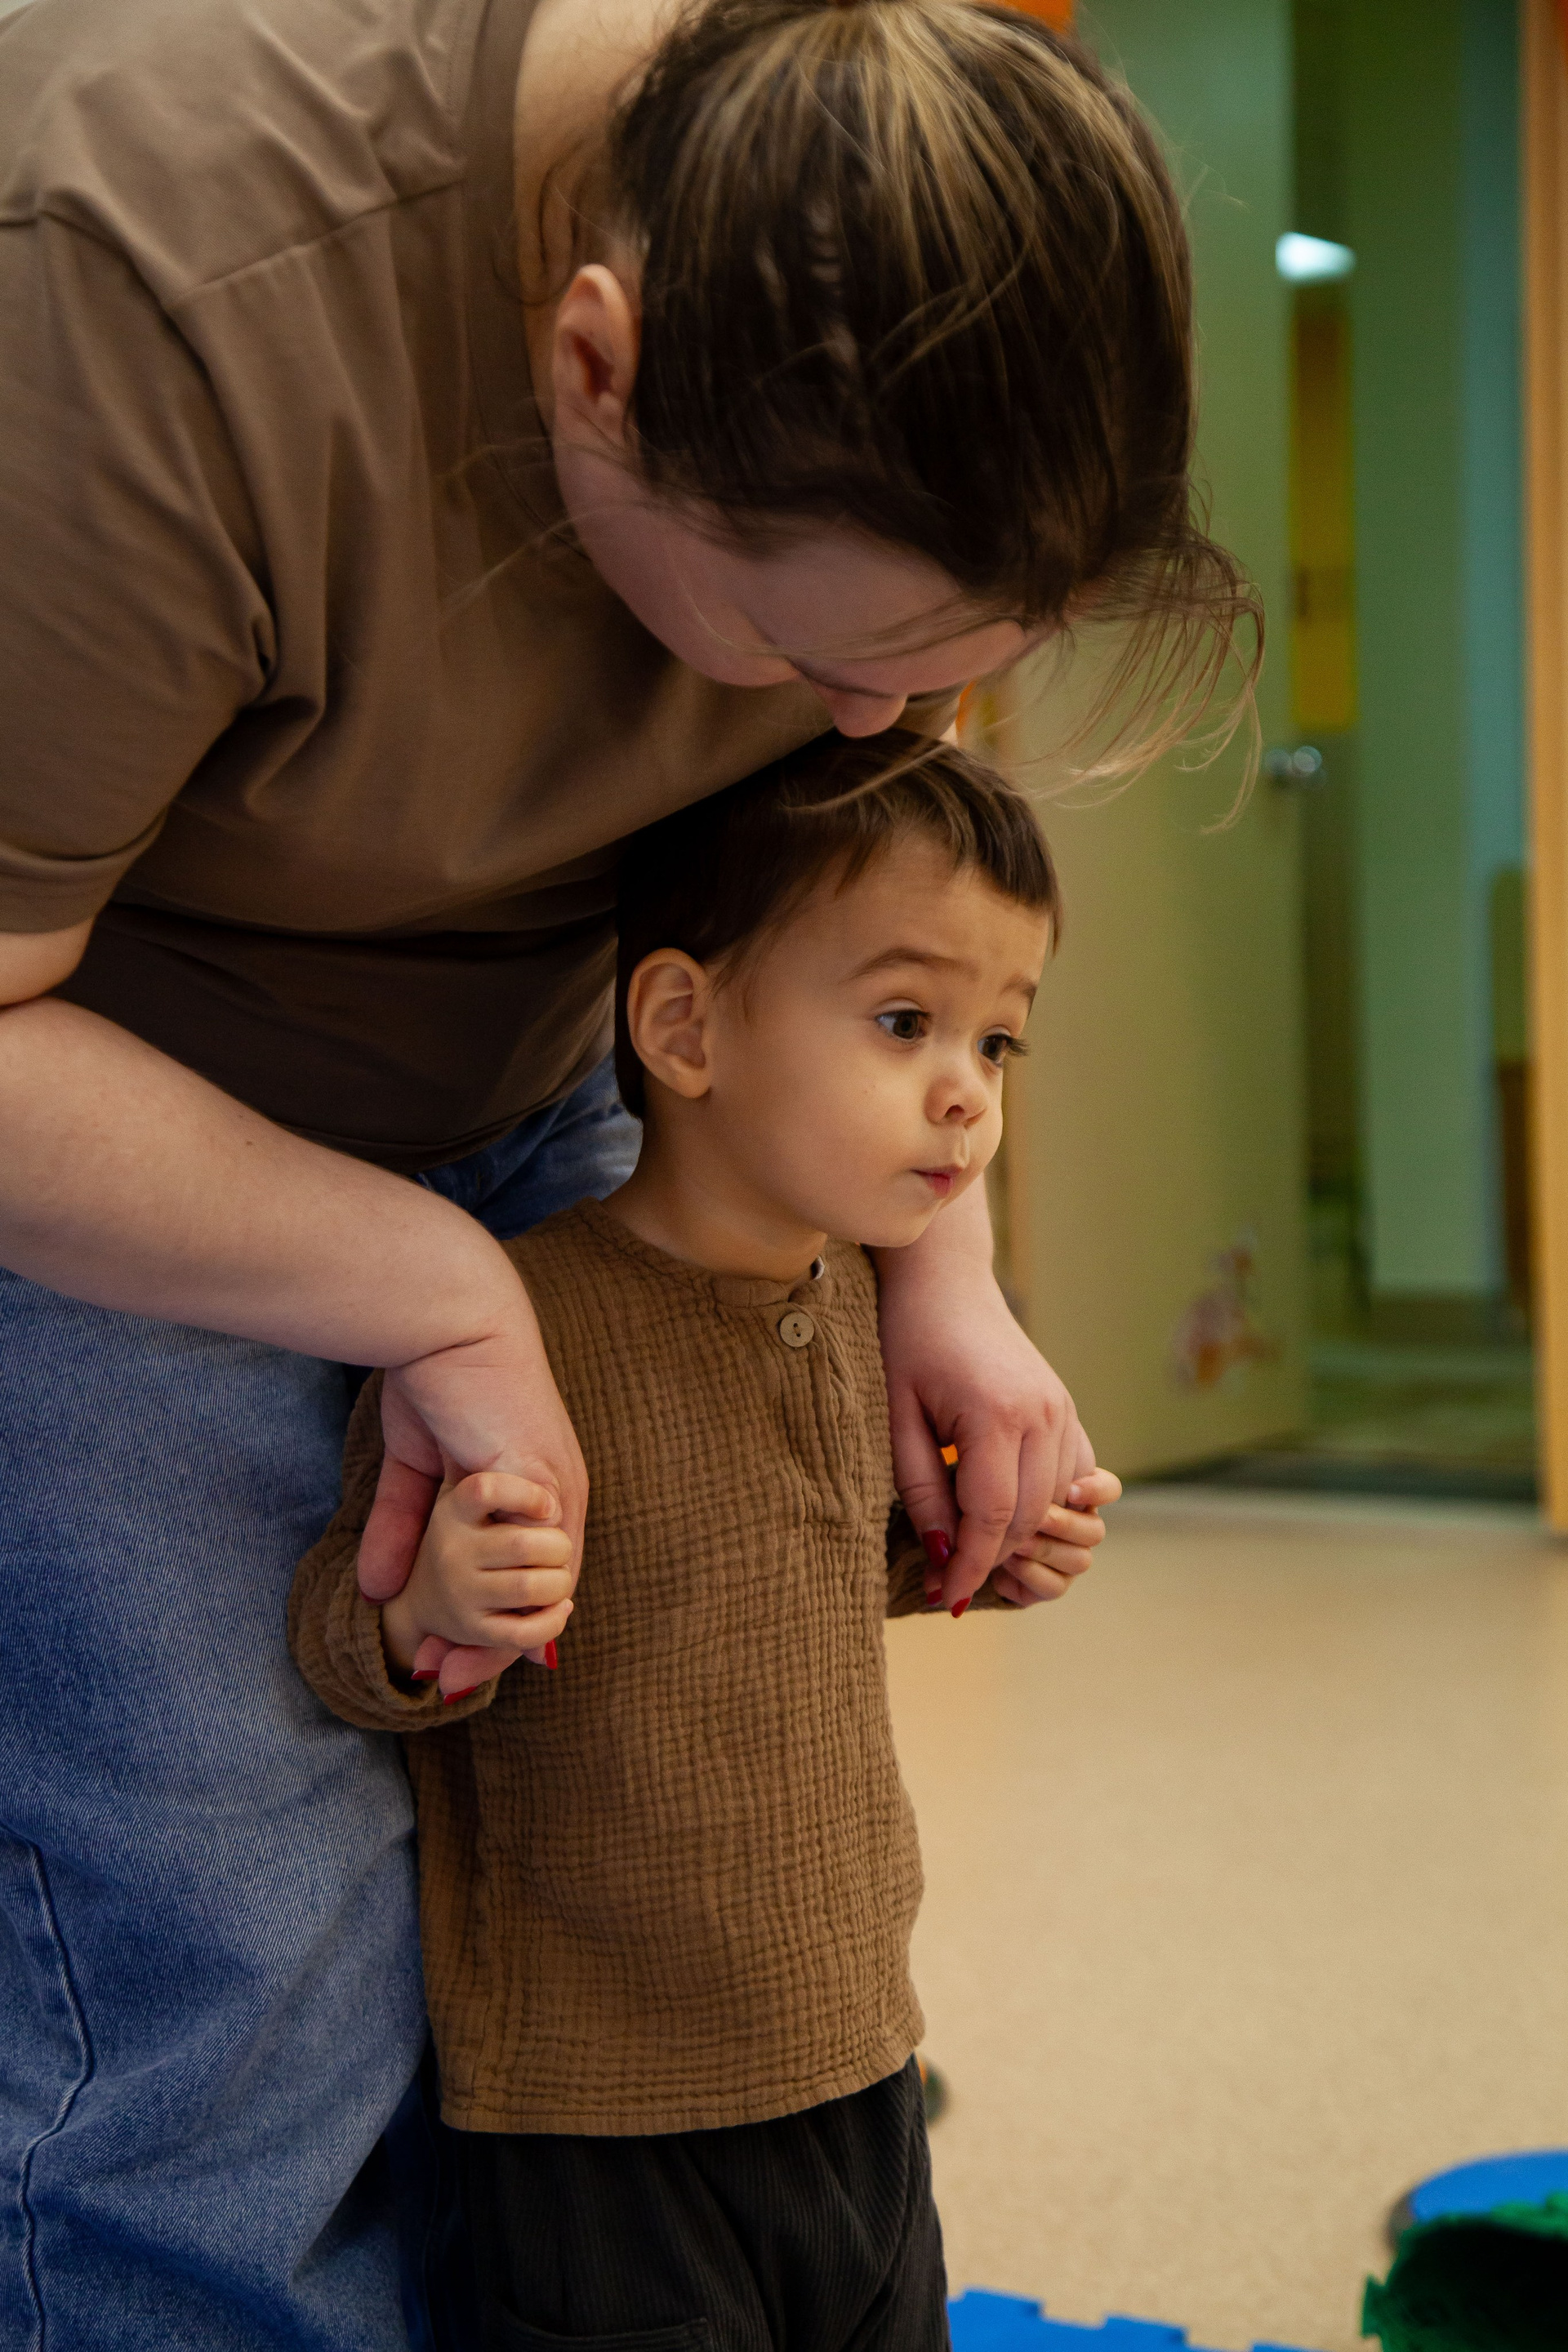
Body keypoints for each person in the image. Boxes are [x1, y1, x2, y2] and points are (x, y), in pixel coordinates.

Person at [0, 0, 1256, 2341]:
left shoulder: (879, 196)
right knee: (234, 1989)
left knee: (553, 1821)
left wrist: (934, 1266)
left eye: (937, 667)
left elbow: (862, 838)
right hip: (99, 1118)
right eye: (807, 646)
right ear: (595, 364)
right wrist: (439, 1289)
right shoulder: (144, 281)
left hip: (566, 1050)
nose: (870, 718)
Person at [290, 733, 1123, 2350]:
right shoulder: (512, 1328)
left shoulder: (857, 1310)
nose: (968, 1090)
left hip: (853, 2056)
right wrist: (429, 1605)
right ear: (685, 1028)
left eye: (999, 1041)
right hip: (600, 2118)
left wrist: (965, 1555)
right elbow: (344, 1632)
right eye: (906, 1022)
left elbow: (786, 1558)